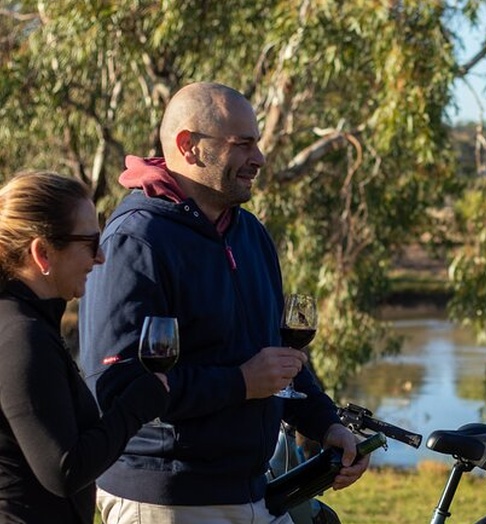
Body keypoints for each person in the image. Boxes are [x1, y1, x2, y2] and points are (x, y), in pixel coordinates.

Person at [78, 82, 368, 523]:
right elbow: (115, 385)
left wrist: (324, 423)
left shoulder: (249, 233)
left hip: (255, 490)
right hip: (167, 498)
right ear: (188, 146)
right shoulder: (136, 239)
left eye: (258, 142)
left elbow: (278, 359)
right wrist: (240, 383)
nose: (259, 158)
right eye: (243, 144)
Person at [0, 171, 170, 523]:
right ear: (43, 253)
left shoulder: (22, 323)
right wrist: (136, 406)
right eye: (91, 244)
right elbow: (64, 469)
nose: (102, 258)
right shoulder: (21, 337)